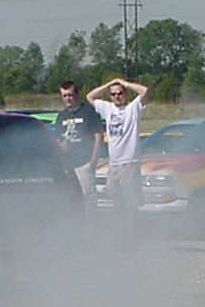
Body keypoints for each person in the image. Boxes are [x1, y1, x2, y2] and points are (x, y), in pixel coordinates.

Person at [86, 77, 148, 246]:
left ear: (125, 94)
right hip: (113, 164)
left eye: (120, 93)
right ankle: (121, 236)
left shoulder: (133, 108)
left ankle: (132, 239)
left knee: (130, 204)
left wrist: (124, 82)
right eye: (113, 94)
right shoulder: (108, 108)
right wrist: (109, 84)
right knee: (115, 202)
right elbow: (90, 97)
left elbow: (144, 91)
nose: (117, 97)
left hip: (129, 162)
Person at [55, 81, 104, 230]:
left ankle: (91, 232)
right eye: (64, 96)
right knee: (72, 200)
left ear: (77, 94)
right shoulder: (61, 116)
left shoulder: (88, 112)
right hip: (69, 166)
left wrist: (93, 162)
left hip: (84, 164)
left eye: (70, 95)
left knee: (89, 200)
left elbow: (99, 136)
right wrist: (62, 151)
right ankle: (76, 230)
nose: (68, 98)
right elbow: (58, 140)